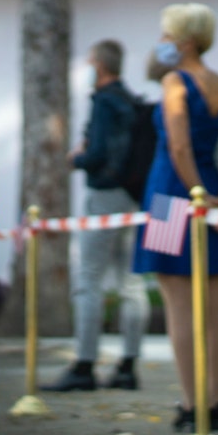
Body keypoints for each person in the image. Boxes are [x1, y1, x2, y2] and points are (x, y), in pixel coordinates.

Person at [132, 3, 218, 433]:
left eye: (165, 35)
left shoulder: (174, 82)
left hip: (168, 196)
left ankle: (190, 402)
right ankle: (216, 401)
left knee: (179, 305)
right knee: (216, 305)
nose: (160, 42)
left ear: (180, 41)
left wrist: (195, 193)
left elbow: (178, 147)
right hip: (214, 192)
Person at [43, 40, 151, 393]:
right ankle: (128, 365)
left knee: (88, 279)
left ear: (100, 67)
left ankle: (84, 365)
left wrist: (78, 158)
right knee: (130, 283)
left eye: (90, 62)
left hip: (104, 196)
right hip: (133, 199)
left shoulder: (104, 102)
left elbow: (101, 153)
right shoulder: (130, 101)